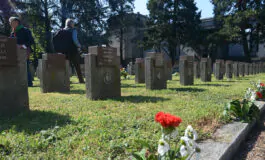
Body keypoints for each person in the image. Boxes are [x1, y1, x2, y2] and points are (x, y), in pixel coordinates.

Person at [53, 18, 84, 83]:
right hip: (72, 51)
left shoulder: (60, 30)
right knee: (76, 65)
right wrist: (79, 46)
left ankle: (64, 80)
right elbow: (75, 40)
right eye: (73, 23)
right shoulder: (73, 30)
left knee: (64, 66)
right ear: (71, 24)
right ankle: (81, 80)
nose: (74, 25)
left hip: (62, 52)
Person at [9, 17, 35, 87]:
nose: (11, 24)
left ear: (17, 22)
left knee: (25, 67)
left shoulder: (25, 30)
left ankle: (29, 83)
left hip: (24, 51)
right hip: (15, 53)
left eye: (12, 22)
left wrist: (22, 46)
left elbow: (31, 41)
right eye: (10, 23)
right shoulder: (12, 33)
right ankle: (19, 82)